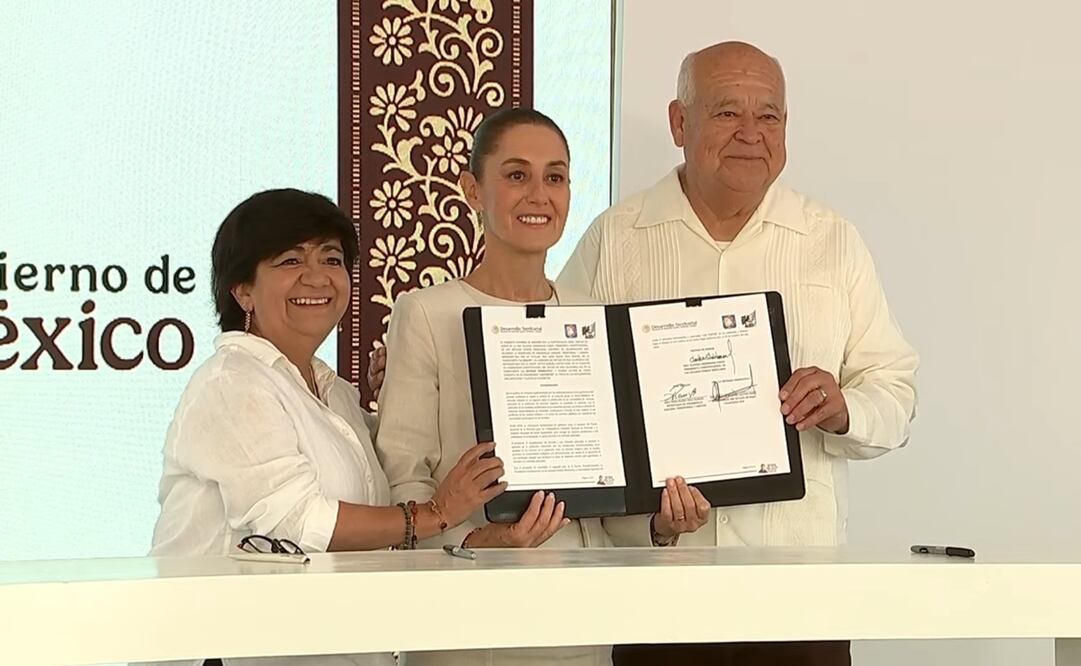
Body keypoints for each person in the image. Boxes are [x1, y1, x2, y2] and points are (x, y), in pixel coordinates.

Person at [556, 41, 919, 666]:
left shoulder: (831, 240)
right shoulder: (617, 238)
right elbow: (570, 394)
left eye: (770, 116)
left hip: (801, 592)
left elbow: (894, 389)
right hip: (658, 594)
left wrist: (842, 407)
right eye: (726, 112)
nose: (751, 134)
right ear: (679, 122)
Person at [373, 108, 711, 666]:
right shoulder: (427, 314)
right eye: (516, 175)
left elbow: (609, 497)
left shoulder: (596, 317)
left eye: (554, 177)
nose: (538, 194)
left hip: (577, 623)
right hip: (465, 625)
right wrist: (482, 541)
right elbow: (402, 485)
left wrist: (659, 522)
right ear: (472, 189)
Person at [147, 189, 505, 666]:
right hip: (231, 652)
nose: (316, 277)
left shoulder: (331, 390)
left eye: (332, 259)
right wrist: (436, 512)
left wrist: (407, 391)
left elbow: (389, 469)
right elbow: (300, 521)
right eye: (290, 260)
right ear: (242, 289)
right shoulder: (232, 383)